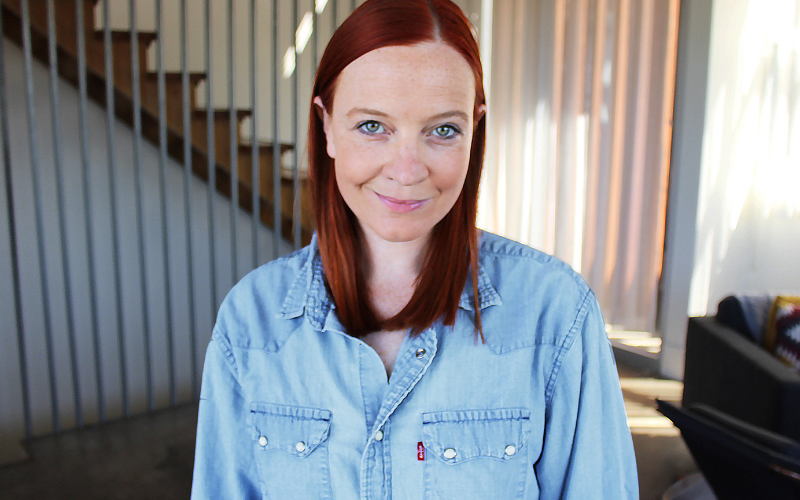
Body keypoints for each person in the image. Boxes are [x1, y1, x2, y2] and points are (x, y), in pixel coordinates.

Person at [191, 0, 638, 498]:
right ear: (326, 126)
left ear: (474, 129)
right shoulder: (251, 321)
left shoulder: (554, 313)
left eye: (443, 130)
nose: (406, 171)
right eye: (372, 126)